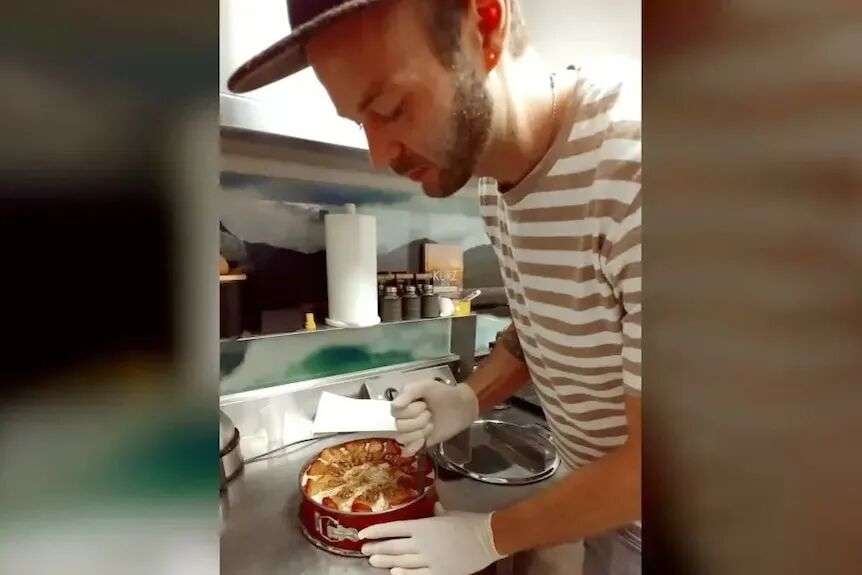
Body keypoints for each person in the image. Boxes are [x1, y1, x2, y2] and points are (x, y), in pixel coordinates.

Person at [229, 1, 641, 574]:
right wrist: (471, 395)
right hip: (599, 511)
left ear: (485, 26)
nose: (379, 156)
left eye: (392, 108)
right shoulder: (495, 183)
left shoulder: (640, 167)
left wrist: (491, 536)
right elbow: (547, 320)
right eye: (359, 124)